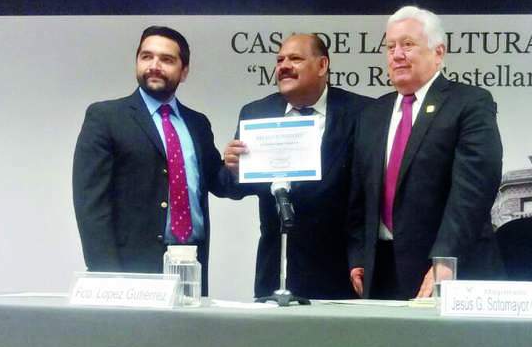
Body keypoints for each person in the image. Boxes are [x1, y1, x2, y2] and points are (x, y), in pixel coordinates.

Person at [348, 6, 504, 300]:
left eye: (408, 44)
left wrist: (446, 259)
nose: (397, 55)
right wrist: (358, 254)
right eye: (390, 47)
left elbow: (474, 191)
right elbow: (359, 195)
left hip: (446, 270)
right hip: (380, 273)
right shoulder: (372, 115)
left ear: (438, 52)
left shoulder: (470, 103)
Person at [72, 26, 227, 293]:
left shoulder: (197, 123)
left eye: (166, 59)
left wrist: (239, 166)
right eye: (146, 57)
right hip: (130, 269)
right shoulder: (106, 117)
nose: (154, 66)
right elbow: (91, 204)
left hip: (191, 262)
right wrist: (108, 278)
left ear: (184, 71)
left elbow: (220, 183)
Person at [222, 34, 371, 300]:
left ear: (322, 65)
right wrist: (234, 169)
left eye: (295, 59)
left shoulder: (362, 113)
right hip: (276, 269)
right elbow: (234, 189)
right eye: (280, 60)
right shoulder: (256, 112)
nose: (284, 66)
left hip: (340, 270)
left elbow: (369, 193)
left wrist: (360, 257)